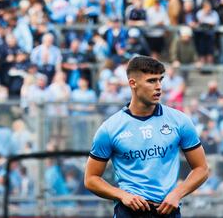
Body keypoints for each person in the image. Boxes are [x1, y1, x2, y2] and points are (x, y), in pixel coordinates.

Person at [84, 56, 209, 217]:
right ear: (133, 84)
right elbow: (91, 178)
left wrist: (177, 194)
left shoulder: (180, 121)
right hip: (129, 212)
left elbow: (202, 168)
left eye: (160, 80)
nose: (158, 87)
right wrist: (122, 195)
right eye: (151, 81)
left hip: (167, 210)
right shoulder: (110, 129)